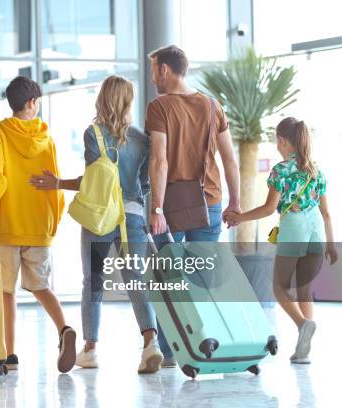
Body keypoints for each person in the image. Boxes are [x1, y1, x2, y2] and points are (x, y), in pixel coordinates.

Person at [30, 75, 164, 374]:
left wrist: (58, 184)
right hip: (133, 216)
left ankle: (90, 350)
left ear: (103, 99)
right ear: (128, 101)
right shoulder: (144, 140)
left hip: (100, 219)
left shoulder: (94, 134)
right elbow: (143, 185)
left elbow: (93, 183)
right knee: (135, 280)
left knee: (93, 282)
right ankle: (150, 343)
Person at [145, 45, 241, 367]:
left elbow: (159, 160)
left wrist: (156, 209)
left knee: (167, 277)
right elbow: (230, 159)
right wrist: (236, 202)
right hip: (210, 202)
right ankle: (205, 342)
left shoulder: (159, 107)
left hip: (171, 207)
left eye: (154, 69)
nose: (153, 77)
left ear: (165, 71)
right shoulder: (214, 107)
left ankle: (171, 351)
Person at [0, 76, 76, 373]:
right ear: (32, 103)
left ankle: (10, 355)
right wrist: (52, 222)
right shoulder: (46, 138)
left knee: (6, 291)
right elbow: (54, 180)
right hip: (39, 225)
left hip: (9, 224)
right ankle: (63, 329)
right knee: (41, 286)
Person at [226, 117, 338, 364]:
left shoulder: (282, 170)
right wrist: (331, 244)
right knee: (304, 290)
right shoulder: (315, 170)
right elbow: (327, 213)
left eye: (278, 141)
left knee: (279, 287)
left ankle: (302, 324)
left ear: (283, 140)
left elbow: (268, 209)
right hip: (317, 232)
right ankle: (303, 350)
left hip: (294, 229)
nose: (277, 146)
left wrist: (239, 217)